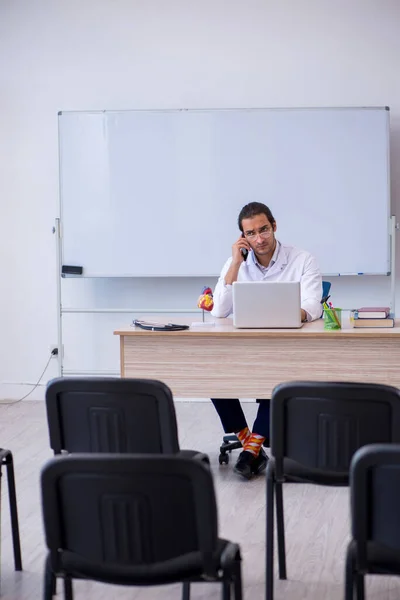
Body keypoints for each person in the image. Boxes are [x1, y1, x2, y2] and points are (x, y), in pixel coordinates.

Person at [211, 202, 322, 479]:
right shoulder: (234, 263)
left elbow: (313, 305)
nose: (259, 239)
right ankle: (254, 446)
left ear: (274, 226)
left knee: (278, 377)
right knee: (212, 375)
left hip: (286, 348)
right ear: (242, 237)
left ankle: (250, 453)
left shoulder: (302, 259)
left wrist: (285, 313)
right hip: (244, 348)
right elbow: (219, 310)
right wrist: (236, 263)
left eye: (263, 230)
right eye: (251, 233)